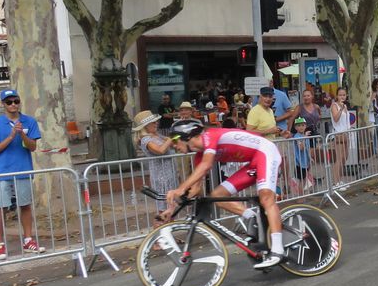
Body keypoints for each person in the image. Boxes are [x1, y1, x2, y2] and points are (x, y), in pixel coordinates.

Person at [164, 119, 287, 269]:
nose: (174, 146)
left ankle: (278, 251)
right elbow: (195, 189)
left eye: (175, 141)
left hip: (266, 152)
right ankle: (253, 218)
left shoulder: (209, 136)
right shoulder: (199, 156)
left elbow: (206, 165)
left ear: (187, 136)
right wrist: (172, 209)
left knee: (266, 197)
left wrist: (180, 188)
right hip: (253, 161)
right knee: (216, 196)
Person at [0, 88, 44, 259]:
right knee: (0, 208)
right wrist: (11, 136)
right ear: (3, 104)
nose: (13, 105)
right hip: (2, 172)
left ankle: (28, 240)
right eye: (9, 102)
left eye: (16, 101)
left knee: (25, 205)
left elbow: (32, 147)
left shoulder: (29, 121)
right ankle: (0, 245)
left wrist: (22, 136)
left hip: (23, 169)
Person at [132, 110, 179, 204]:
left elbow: (174, 143)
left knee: (172, 204)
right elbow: (160, 150)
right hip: (161, 174)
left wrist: (177, 135)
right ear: (146, 126)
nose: (156, 123)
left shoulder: (157, 135)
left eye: (156, 121)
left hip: (170, 171)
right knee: (164, 204)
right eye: (153, 122)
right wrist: (171, 138)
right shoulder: (145, 139)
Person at [329, 86, 353, 187]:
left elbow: (346, 121)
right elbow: (336, 118)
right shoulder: (334, 106)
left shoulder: (345, 106)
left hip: (345, 134)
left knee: (344, 158)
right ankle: (336, 182)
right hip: (338, 134)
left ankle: (340, 179)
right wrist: (341, 109)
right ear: (337, 96)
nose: (342, 97)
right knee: (338, 159)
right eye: (340, 95)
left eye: (344, 95)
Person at [291, 117, 313, 191]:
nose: (301, 127)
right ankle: (300, 197)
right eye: (299, 125)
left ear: (305, 126)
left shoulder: (303, 136)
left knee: (304, 179)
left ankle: (302, 195)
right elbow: (301, 148)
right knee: (301, 180)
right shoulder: (297, 136)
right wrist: (305, 137)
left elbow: (307, 148)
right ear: (295, 127)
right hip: (300, 162)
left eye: (303, 125)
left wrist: (310, 158)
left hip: (305, 161)